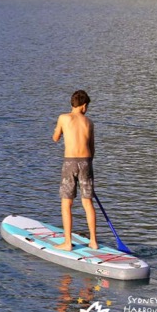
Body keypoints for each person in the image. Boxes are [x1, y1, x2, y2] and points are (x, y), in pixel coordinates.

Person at [52, 90, 98, 251]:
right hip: (86, 162)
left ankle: (67, 242)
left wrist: (60, 130)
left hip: (70, 162)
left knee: (67, 203)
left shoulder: (63, 118)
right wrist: (87, 169)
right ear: (84, 106)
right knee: (87, 202)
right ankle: (93, 241)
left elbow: (55, 138)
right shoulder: (89, 122)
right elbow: (92, 149)